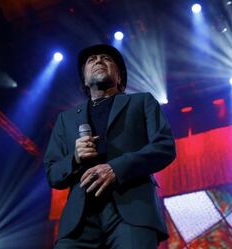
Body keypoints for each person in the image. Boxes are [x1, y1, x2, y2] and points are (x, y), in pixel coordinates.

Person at [44, 44, 176, 249]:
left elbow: (164, 146)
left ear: (120, 77)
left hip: (132, 211)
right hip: (80, 220)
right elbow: (53, 173)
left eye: (106, 58)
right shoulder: (66, 119)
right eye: (91, 60)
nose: (98, 61)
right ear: (84, 81)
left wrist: (116, 168)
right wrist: (74, 158)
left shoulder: (141, 102)